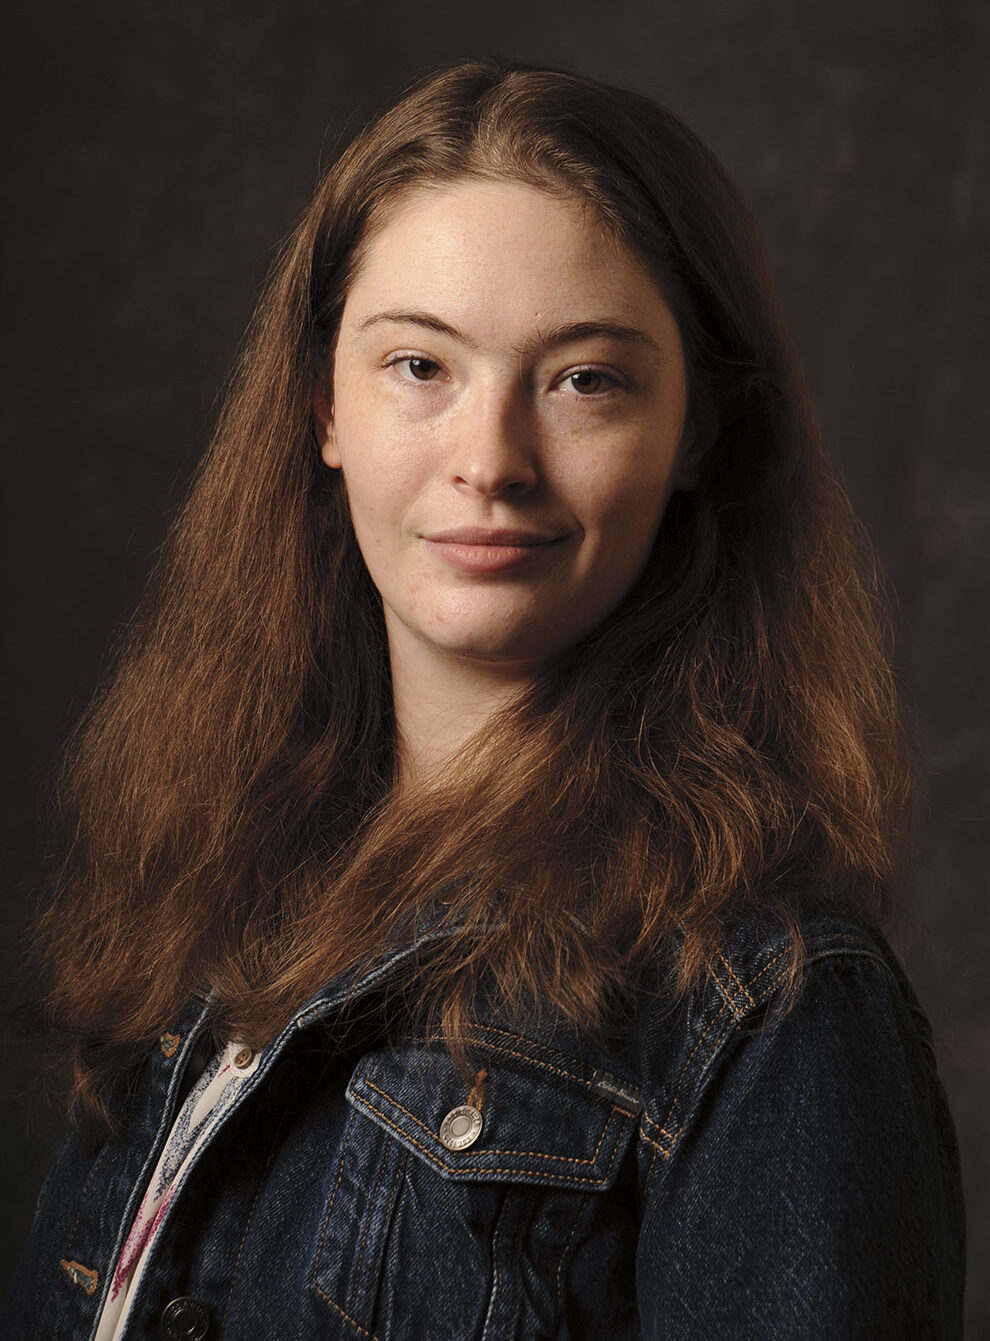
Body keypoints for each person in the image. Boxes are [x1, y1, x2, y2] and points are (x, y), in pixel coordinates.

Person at [5, 58, 964, 1340]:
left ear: (696, 435)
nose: (491, 462)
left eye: (585, 380)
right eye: (419, 366)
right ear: (323, 406)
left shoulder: (770, 1005)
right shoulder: (222, 892)